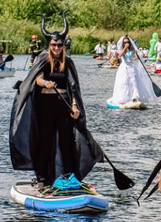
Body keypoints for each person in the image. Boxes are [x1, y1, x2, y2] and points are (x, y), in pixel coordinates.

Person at [10, 16, 106, 193]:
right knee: (44, 142)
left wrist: (75, 106)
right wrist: (45, 83)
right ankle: (42, 179)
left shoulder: (68, 63)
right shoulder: (43, 59)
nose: (56, 48)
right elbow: (35, 79)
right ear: (49, 45)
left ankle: (69, 177)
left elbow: (73, 87)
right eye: (53, 45)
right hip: (45, 107)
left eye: (59, 45)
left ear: (63, 46)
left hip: (63, 107)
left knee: (66, 142)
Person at [109, 35, 159, 106]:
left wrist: (137, 57)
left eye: (127, 42)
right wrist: (125, 48)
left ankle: (135, 97)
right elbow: (119, 56)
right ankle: (124, 98)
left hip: (132, 68)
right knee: (124, 82)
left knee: (134, 82)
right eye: (125, 42)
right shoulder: (121, 50)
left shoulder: (133, 50)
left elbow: (135, 58)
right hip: (124, 68)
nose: (126, 43)